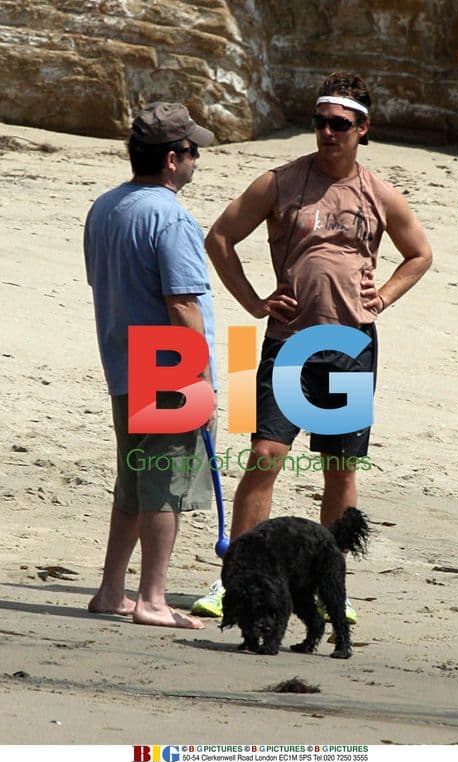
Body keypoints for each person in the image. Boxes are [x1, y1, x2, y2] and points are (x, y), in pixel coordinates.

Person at [192, 72, 432, 622]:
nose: (327, 132)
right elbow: (220, 238)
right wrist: (254, 302)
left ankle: (329, 587)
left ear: (362, 129)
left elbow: (419, 253)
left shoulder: (378, 192)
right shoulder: (279, 182)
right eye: (320, 122)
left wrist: (384, 297)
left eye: (339, 124)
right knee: (263, 456)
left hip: (349, 345)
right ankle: (239, 578)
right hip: (288, 344)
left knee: (341, 468)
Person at [84, 102, 217, 629]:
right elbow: (183, 303)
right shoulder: (171, 216)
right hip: (168, 368)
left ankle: (111, 591)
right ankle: (152, 599)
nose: (195, 161)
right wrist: (202, 381)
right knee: (165, 484)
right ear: (171, 159)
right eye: (192, 152)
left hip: (121, 358)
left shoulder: (105, 206)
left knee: (134, 481)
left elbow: (102, 282)